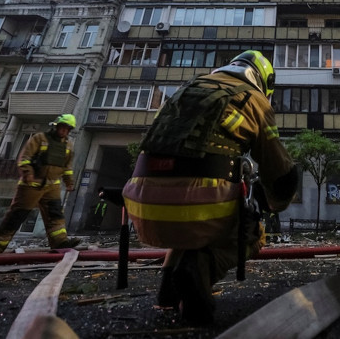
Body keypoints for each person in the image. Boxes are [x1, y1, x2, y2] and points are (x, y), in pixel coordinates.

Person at [123, 50, 298, 325]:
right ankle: (198, 270)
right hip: (196, 203)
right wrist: (276, 203)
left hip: (140, 205)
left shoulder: (189, 88)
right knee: (251, 233)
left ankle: (168, 291)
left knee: (194, 228)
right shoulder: (255, 100)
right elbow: (278, 168)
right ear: (263, 80)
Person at [0, 114, 81, 254]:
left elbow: (67, 167)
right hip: (32, 185)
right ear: (56, 126)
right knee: (17, 215)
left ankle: (60, 243)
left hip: (52, 186)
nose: (64, 131)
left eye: (67, 129)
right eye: (62, 127)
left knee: (55, 215)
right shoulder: (39, 139)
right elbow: (25, 158)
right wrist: (28, 173)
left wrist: (69, 182)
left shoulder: (68, 145)